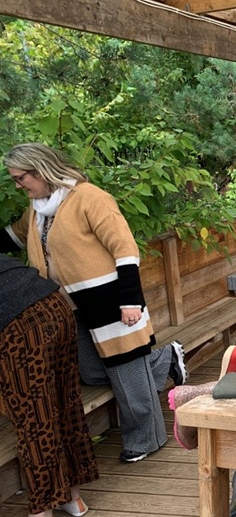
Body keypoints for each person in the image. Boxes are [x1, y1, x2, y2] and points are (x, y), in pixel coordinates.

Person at [1, 143, 187, 463]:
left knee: (128, 380)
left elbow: (125, 249)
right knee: (91, 373)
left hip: (110, 302)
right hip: (68, 307)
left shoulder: (91, 198)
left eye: (20, 178)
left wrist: (130, 301)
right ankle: (163, 360)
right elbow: (13, 238)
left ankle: (145, 439)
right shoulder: (37, 210)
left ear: (40, 171)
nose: (18, 185)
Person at [0, 255, 100, 517]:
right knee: (64, 403)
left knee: (35, 420)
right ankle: (72, 496)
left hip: (21, 324)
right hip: (54, 305)